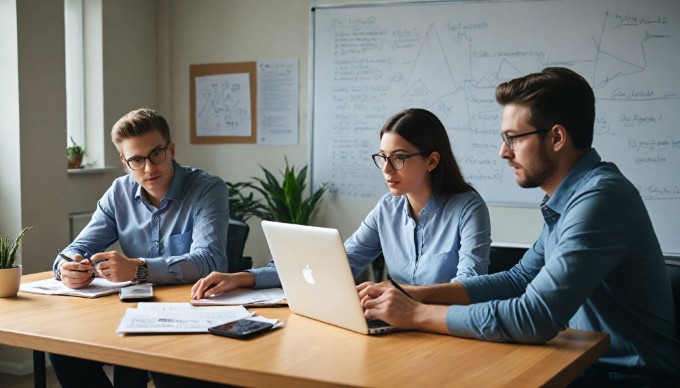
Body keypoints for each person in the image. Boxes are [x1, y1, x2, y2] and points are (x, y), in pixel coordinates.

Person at [360, 68, 680, 385]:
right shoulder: (572, 198)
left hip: (628, 377)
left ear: (556, 137)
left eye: (513, 138)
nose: (503, 152)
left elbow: (534, 317)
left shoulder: (600, 200)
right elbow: (520, 278)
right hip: (582, 364)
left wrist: (416, 314)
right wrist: (414, 294)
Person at [192, 107, 491, 299]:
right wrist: (243, 278)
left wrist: (399, 291)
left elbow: (470, 287)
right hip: (396, 326)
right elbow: (334, 264)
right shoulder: (387, 208)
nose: (386, 169)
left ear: (432, 160)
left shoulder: (468, 209)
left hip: (444, 332)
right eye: (383, 158)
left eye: (399, 158)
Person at [50, 108, 230, 388]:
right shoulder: (118, 193)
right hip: (129, 309)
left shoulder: (207, 189)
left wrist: (138, 268)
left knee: (154, 365)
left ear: (170, 149)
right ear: (124, 161)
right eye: (136, 159)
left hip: (188, 314)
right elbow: (78, 247)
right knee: (63, 349)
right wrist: (65, 268)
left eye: (156, 154)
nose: (148, 168)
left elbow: (209, 261)